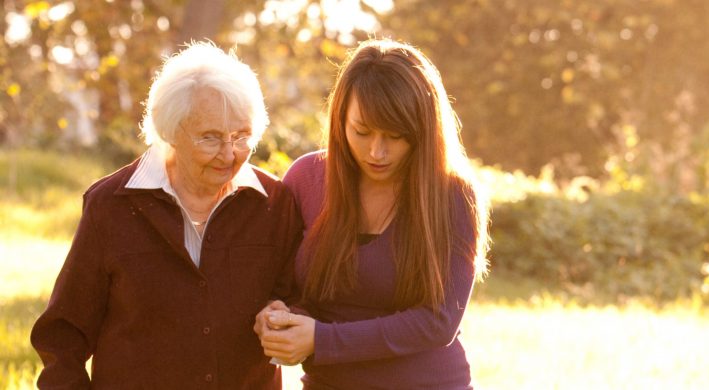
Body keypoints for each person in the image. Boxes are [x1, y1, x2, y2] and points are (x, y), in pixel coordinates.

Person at [30, 42, 303, 389]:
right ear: (170, 130)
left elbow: (300, 297)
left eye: (241, 136)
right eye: (210, 137)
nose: (229, 153)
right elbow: (62, 336)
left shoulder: (275, 204)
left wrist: (283, 312)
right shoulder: (110, 206)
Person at [254, 39, 490, 389]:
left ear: (423, 131)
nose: (377, 151)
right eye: (361, 132)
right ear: (340, 119)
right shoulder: (306, 179)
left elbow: (439, 321)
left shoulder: (453, 196)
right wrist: (280, 316)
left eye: (396, 136)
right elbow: (287, 286)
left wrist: (322, 339)